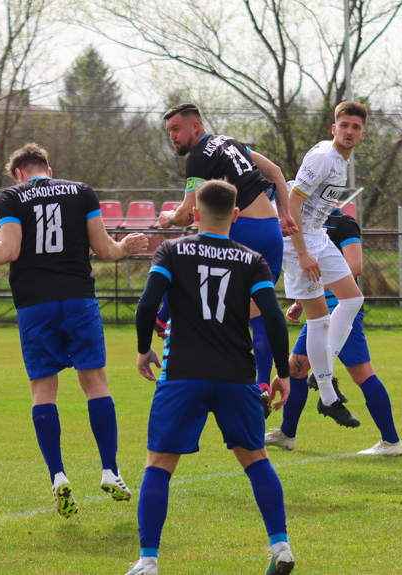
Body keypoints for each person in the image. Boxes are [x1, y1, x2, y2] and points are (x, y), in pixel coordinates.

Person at [0, 143, 149, 518]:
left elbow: (9, 250)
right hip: (78, 299)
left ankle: (58, 476)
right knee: (95, 383)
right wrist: (126, 247)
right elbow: (104, 249)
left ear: (19, 172)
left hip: (35, 304)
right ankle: (110, 470)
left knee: (43, 389)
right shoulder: (81, 191)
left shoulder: (12, 196)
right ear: (48, 169)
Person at [126, 180, 294, 575]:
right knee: (256, 460)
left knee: (159, 464)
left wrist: (140, 349)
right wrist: (282, 373)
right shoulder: (252, 260)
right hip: (237, 375)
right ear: (235, 216)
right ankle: (281, 546)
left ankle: (148, 559)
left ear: (196, 214)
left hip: (182, 373)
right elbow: (272, 317)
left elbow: (148, 304)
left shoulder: (171, 250)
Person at [157, 103, 296, 405]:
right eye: (169, 132)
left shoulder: (197, 159)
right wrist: (284, 214)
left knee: (187, 266)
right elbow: (275, 173)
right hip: (271, 231)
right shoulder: (232, 143)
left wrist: (167, 216)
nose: (173, 136)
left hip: (241, 228)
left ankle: (162, 317)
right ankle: (261, 384)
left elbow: (187, 213)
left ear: (196, 127)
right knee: (258, 308)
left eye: (176, 129)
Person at [265, 206, 402, 456]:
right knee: (295, 370)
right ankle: (287, 434)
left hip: (342, 311)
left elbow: (355, 266)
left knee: (362, 374)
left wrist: (316, 286)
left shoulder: (343, 223)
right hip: (317, 316)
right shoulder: (306, 224)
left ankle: (391, 442)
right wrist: (300, 301)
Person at [266, 101, 369, 429]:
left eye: (355, 127)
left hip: (317, 237)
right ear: (333, 128)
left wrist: (313, 246)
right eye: (344, 125)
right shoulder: (325, 157)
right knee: (320, 319)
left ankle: (320, 377)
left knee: (353, 299)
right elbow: (291, 203)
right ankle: (326, 393)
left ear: (362, 134)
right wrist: (303, 253)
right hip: (297, 240)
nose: (349, 131)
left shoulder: (341, 161)